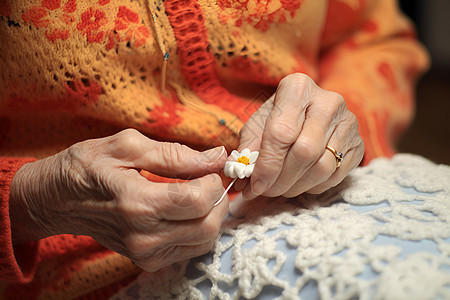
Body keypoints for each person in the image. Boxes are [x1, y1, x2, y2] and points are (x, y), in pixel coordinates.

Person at [0, 0, 428, 298]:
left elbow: (374, 37)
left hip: (338, 198)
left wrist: (333, 120)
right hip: (82, 272)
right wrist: (29, 201)